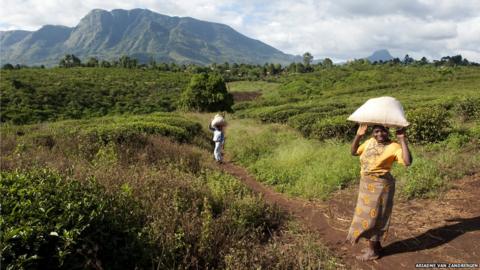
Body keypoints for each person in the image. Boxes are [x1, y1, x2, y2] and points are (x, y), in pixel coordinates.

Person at [346, 123, 412, 261]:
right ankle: (376, 246)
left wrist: (402, 139)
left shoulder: (394, 146)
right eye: (376, 131)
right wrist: (358, 135)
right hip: (366, 184)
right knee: (367, 216)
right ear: (372, 133)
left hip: (381, 186)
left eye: (383, 131)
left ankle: (372, 252)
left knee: (375, 218)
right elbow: (353, 152)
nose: (379, 134)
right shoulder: (369, 142)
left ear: (388, 132)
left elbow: (407, 162)